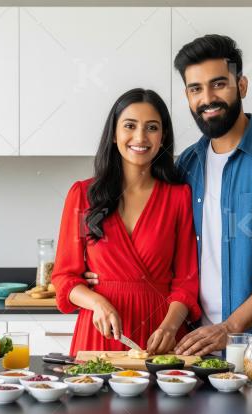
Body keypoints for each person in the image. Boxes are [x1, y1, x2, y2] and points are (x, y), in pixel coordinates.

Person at [85, 34, 252, 355]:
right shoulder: (187, 167)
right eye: (196, 89)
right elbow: (168, 253)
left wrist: (229, 329)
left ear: (242, 85)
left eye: (219, 83)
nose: (207, 97)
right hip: (193, 348)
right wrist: (103, 275)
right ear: (187, 96)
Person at [51, 88, 202, 357]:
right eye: (129, 126)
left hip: (161, 336)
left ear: (163, 136)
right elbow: (64, 277)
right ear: (114, 133)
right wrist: (96, 301)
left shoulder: (179, 197)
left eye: (152, 127)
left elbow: (186, 282)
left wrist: (170, 327)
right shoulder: (83, 195)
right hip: (99, 334)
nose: (140, 137)